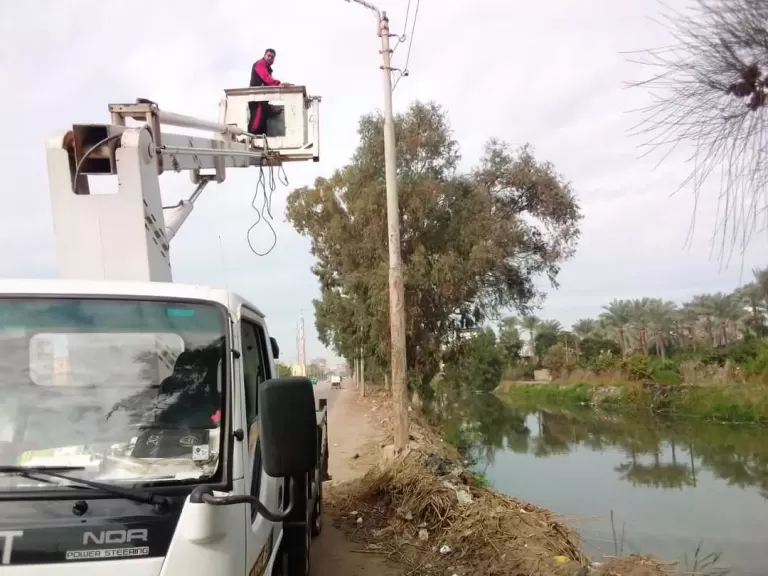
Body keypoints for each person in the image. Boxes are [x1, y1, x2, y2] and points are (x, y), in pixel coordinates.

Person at [248, 48, 288, 135]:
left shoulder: (267, 68)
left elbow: (268, 80)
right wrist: (278, 84)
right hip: (257, 99)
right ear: (264, 55)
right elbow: (266, 78)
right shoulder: (260, 64)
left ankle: (260, 140)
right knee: (256, 123)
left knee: (262, 122)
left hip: (262, 99)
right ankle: (251, 139)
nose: (270, 58)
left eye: (272, 57)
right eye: (268, 55)